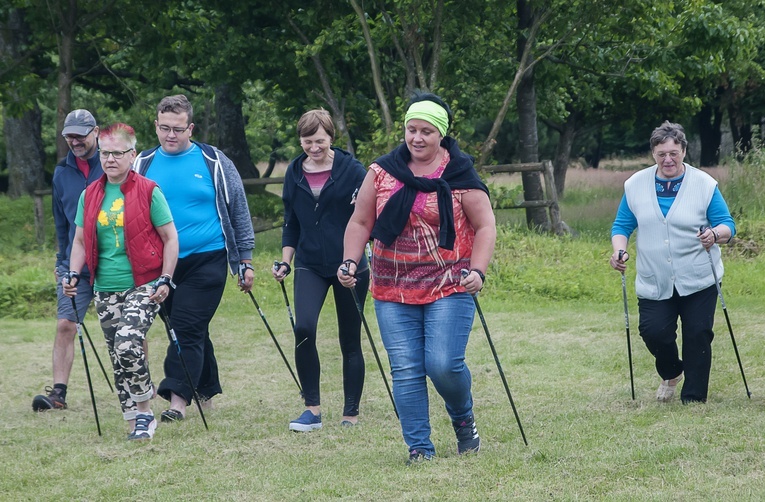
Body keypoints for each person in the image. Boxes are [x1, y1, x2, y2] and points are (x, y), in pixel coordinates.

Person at [338, 92, 496, 464]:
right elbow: (361, 221)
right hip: (391, 286)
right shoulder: (381, 172)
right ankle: (419, 448)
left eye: (426, 131)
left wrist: (478, 270)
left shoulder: (459, 175)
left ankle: (462, 419)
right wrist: (349, 260)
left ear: (441, 134)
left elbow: (485, 225)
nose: (417, 138)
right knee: (406, 369)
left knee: (442, 364)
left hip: (450, 283)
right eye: (411, 130)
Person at [133, 94, 255, 423]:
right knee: (190, 329)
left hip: (208, 258)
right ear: (155, 126)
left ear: (191, 128)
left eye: (178, 129)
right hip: (161, 265)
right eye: (164, 128)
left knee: (185, 328)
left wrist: (245, 259)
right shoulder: (141, 164)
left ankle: (177, 400)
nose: (170, 135)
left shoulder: (213, 161)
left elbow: (238, 210)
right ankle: (205, 389)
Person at [63, 122, 178, 440]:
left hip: (144, 283)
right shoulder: (91, 194)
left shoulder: (148, 190)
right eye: (105, 152)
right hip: (104, 287)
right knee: (117, 354)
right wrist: (73, 273)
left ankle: (144, 411)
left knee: (128, 343)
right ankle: (133, 420)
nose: (110, 159)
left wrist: (165, 278)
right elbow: (80, 242)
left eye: (118, 153)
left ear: (132, 155)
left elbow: (170, 239)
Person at [610, 120, 736, 404]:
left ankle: (693, 397)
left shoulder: (704, 184)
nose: (668, 159)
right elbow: (622, 225)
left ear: (684, 151)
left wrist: (714, 234)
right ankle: (671, 372)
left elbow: (727, 224)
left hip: (699, 277)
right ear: (653, 153)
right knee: (654, 332)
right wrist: (620, 251)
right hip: (654, 278)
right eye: (661, 153)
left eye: (673, 153)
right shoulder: (635, 185)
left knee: (698, 335)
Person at [273, 109, 369, 432]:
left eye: (319, 141)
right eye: (307, 141)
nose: (313, 147)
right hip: (310, 264)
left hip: (349, 266)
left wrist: (352, 261)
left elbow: (366, 219)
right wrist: (286, 261)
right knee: (304, 329)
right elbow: (291, 223)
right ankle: (311, 410)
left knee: (349, 339)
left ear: (331, 137)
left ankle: (350, 413)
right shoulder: (294, 172)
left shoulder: (353, 171)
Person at [33, 110, 104, 412]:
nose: (74, 141)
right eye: (68, 136)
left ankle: (143, 383)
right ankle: (58, 393)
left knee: (126, 325)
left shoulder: (114, 162)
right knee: (65, 325)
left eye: (79, 135)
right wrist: (62, 260)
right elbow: (61, 222)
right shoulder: (62, 172)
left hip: (115, 261)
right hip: (75, 265)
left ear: (96, 132)